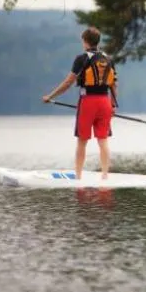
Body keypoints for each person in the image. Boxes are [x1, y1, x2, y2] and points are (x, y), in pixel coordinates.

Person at [42, 26, 117, 180]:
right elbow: (114, 84)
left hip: (88, 102)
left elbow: (69, 82)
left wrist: (50, 96)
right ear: (98, 41)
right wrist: (114, 105)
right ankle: (104, 176)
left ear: (85, 41)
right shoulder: (108, 59)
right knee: (103, 140)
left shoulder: (81, 59)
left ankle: (78, 176)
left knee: (82, 140)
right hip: (105, 101)